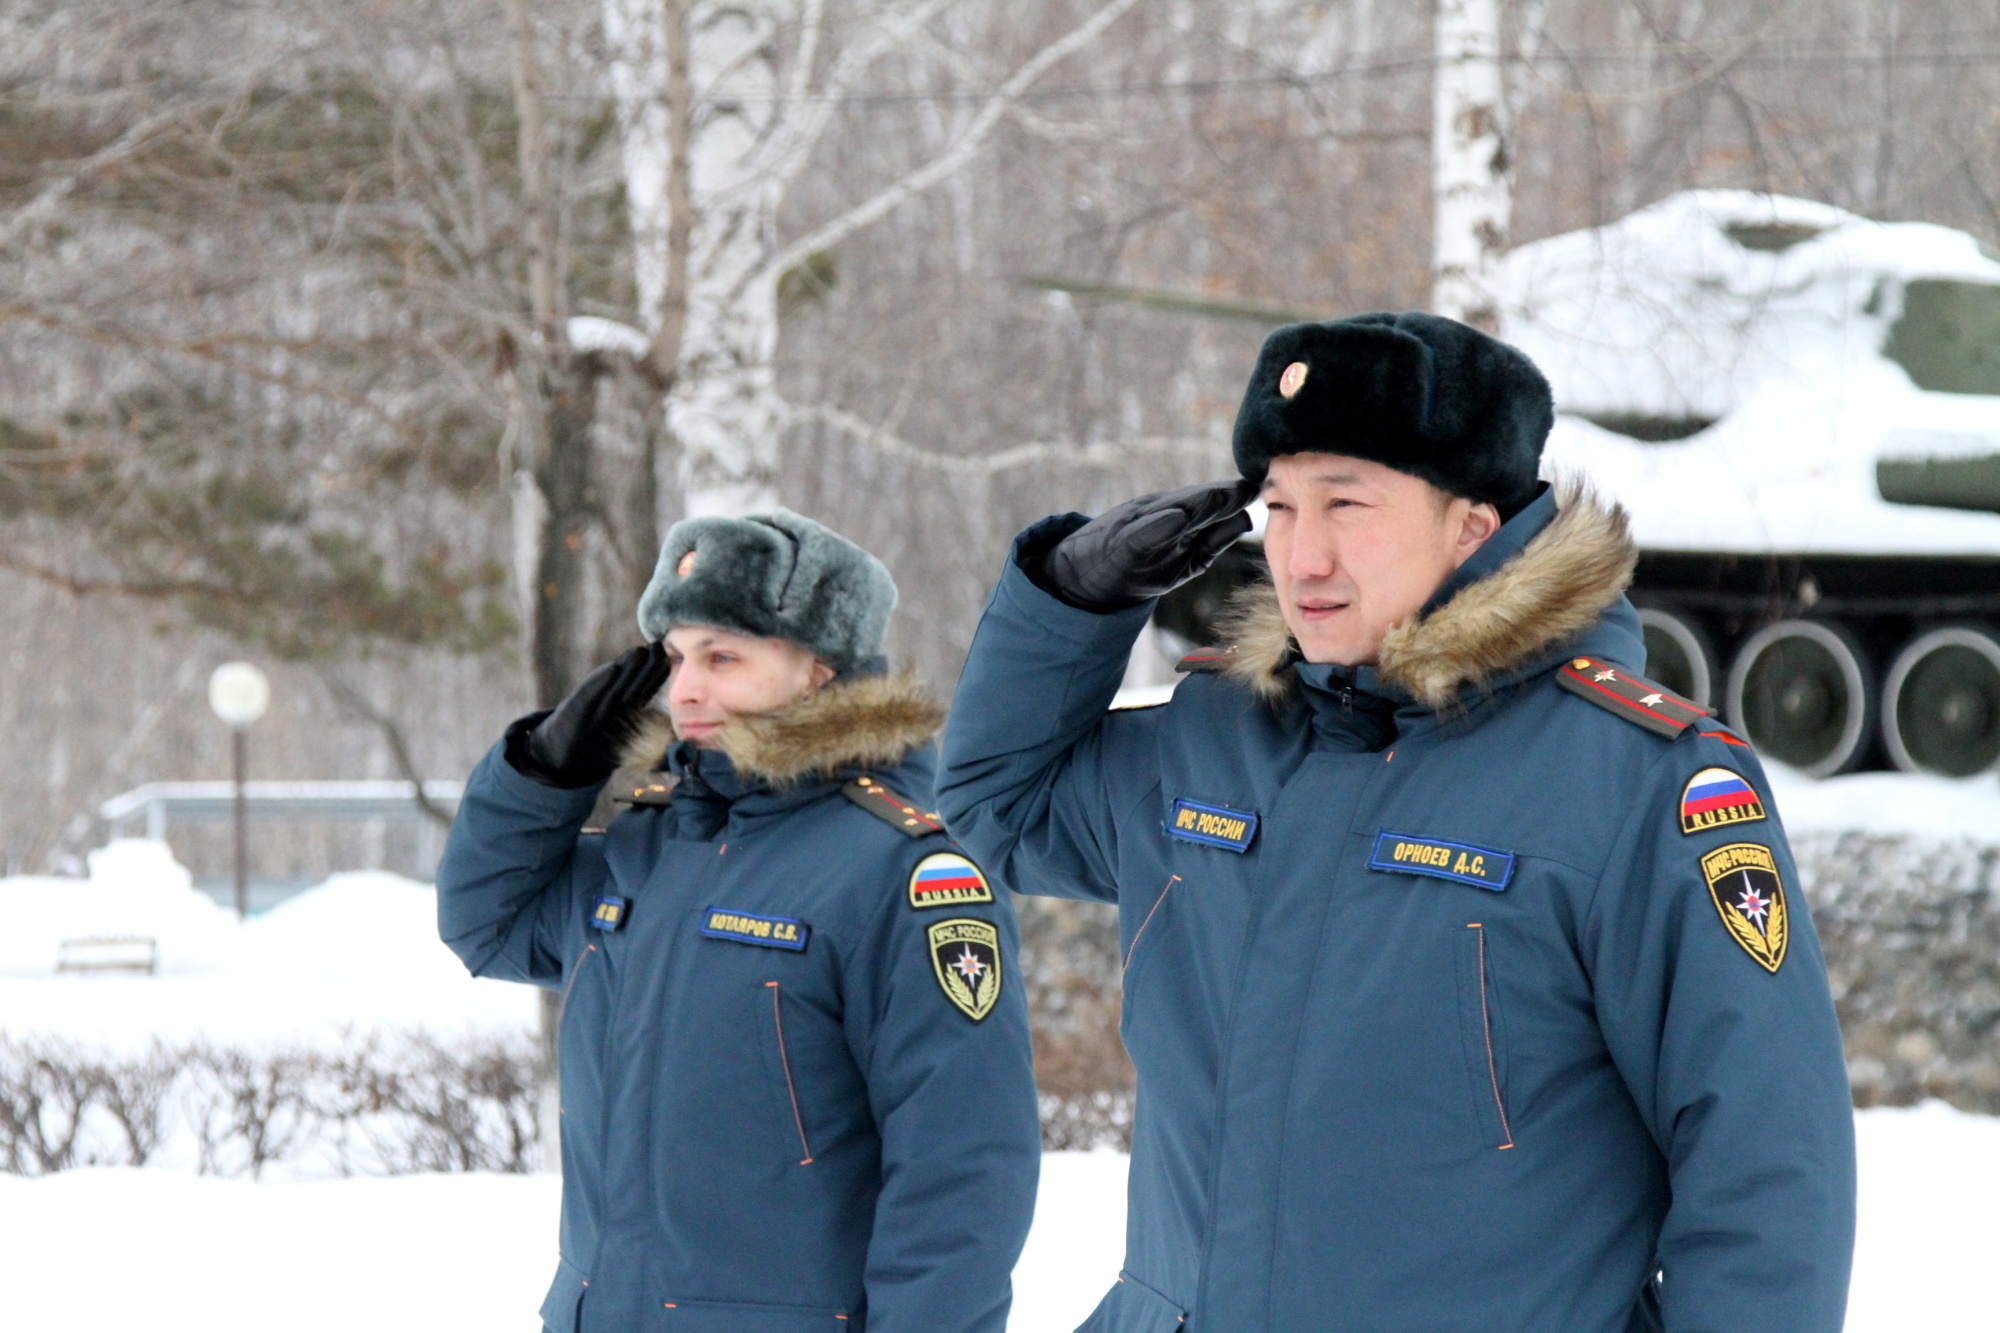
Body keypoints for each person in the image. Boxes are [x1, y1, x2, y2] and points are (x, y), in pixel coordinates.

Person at [937, 312, 1856, 1333]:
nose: (1302, 555)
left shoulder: (1632, 782)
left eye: (1346, 504)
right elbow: (992, 806)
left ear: (1471, 521)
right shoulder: (1215, 737)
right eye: (1278, 507)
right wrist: (1067, 603)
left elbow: (1767, 1170)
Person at [438, 509, 1041, 1333]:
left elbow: (962, 1177)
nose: (685, 688)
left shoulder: (906, 866)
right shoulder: (649, 837)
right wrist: (542, 772)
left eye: (723, 657)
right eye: (678, 657)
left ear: (820, 669)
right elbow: (487, 924)